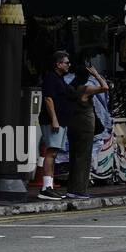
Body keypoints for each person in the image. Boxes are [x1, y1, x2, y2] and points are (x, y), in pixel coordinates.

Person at [63, 56, 105, 199]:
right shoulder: (86, 89)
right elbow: (105, 87)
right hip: (85, 127)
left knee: (74, 157)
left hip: (73, 125)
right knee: (84, 158)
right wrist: (97, 75)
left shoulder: (71, 88)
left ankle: (71, 188)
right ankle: (79, 189)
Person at [38, 52, 71, 200]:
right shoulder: (51, 78)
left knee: (54, 152)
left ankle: (49, 186)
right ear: (58, 64)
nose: (68, 65)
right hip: (52, 121)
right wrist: (54, 120)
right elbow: (48, 99)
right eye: (66, 62)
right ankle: (46, 187)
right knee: (51, 152)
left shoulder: (60, 79)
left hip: (61, 121)